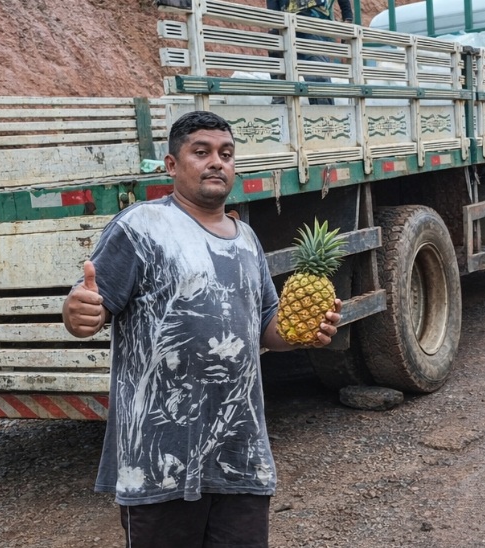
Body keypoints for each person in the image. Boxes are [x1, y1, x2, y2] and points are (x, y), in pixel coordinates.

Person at [62, 110, 342, 548]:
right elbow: (90, 308)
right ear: (172, 165)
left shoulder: (247, 238)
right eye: (202, 152)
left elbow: (265, 327)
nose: (217, 162)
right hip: (158, 456)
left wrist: (302, 332)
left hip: (240, 455)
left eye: (226, 154)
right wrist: (78, 312)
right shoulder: (141, 226)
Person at [267, 0, 354, 105]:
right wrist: (273, 21)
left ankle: (325, 119)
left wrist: (347, 18)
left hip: (313, 21)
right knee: (281, 88)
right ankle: (282, 116)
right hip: (283, 23)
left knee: (318, 81)